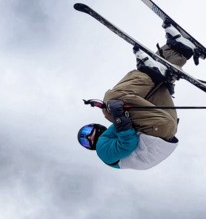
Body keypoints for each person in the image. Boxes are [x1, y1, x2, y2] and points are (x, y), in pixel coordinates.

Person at [77, 22, 199, 170]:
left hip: (163, 128)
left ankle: (180, 49)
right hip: (156, 132)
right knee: (112, 100)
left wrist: (119, 118)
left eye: (86, 132)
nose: (89, 137)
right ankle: (153, 70)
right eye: (85, 141)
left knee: (155, 82)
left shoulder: (113, 143)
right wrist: (119, 117)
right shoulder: (103, 152)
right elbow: (128, 143)